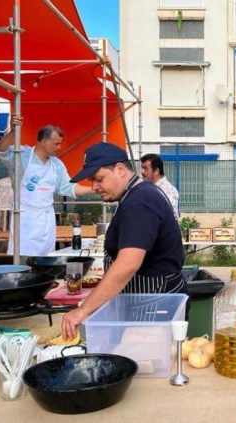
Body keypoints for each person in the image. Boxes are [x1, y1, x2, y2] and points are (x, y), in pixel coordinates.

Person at [60, 142, 187, 339]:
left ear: (120, 169)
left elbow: (128, 264)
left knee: (147, 366)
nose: (94, 187)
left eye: (98, 179)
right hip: (144, 300)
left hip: (152, 304)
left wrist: (83, 310)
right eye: (91, 180)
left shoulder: (140, 201)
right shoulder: (135, 195)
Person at [0, 116, 95, 256]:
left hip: (46, 220)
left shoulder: (57, 164)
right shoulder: (22, 155)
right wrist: (12, 132)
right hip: (25, 218)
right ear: (43, 141)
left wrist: (93, 188)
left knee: (46, 259)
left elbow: (70, 187)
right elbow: (1, 151)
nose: (59, 147)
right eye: (56, 143)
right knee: (23, 258)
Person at [140, 153, 179, 220]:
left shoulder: (167, 190)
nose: (142, 172)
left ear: (156, 171)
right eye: (142, 168)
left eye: (146, 168)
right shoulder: (149, 188)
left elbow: (169, 218)